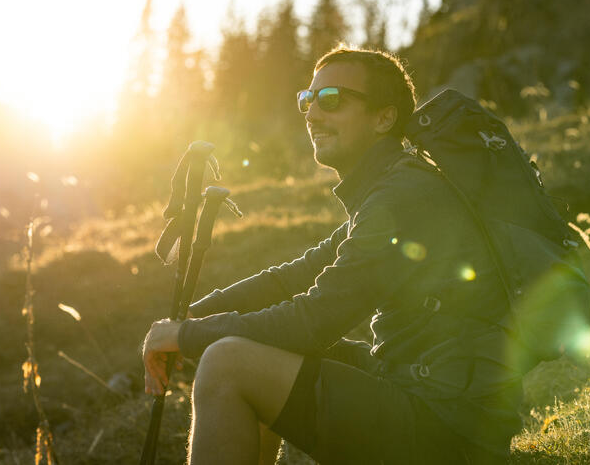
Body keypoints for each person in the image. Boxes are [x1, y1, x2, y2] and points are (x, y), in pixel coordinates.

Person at [142, 46, 523, 464]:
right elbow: (297, 275)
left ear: (384, 117)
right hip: (431, 397)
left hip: (448, 430)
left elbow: (314, 320)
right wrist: (192, 316)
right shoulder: (397, 186)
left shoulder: (402, 196)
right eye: (307, 100)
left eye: (331, 100)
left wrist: (187, 336)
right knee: (246, 346)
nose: (312, 113)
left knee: (226, 362)